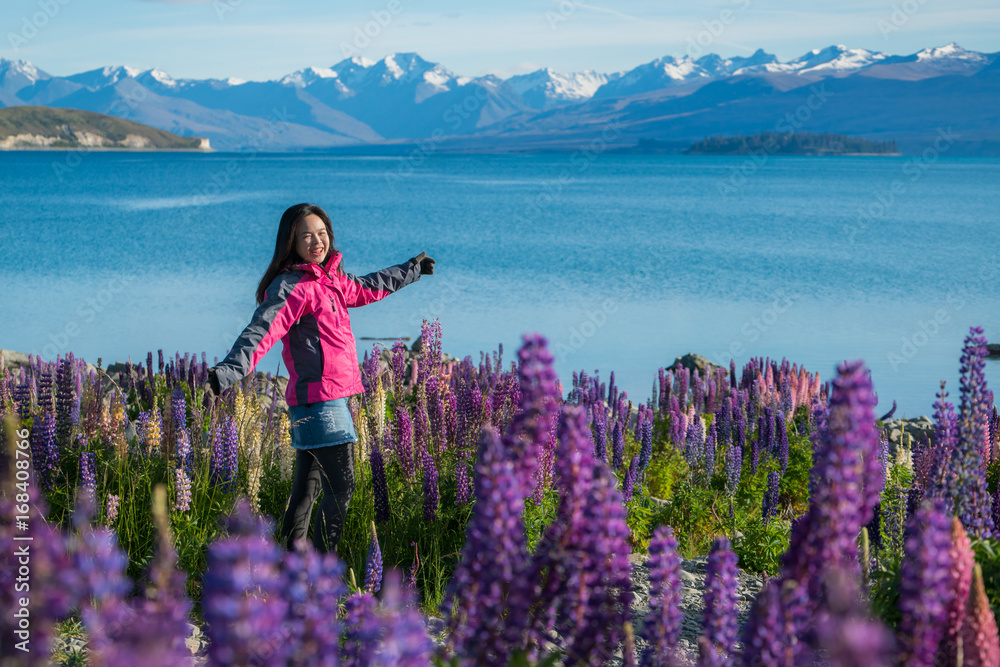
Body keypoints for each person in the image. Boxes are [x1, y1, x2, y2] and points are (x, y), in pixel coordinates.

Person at [202, 202, 434, 552]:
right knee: (342, 488)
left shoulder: (331, 280)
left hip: (322, 399)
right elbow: (260, 332)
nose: (317, 241)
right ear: (290, 242)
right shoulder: (292, 286)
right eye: (306, 236)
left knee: (305, 493)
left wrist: (411, 270)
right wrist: (226, 373)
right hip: (321, 400)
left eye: (322, 233)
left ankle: (289, 571)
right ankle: (322, 576)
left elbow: (369, 286)